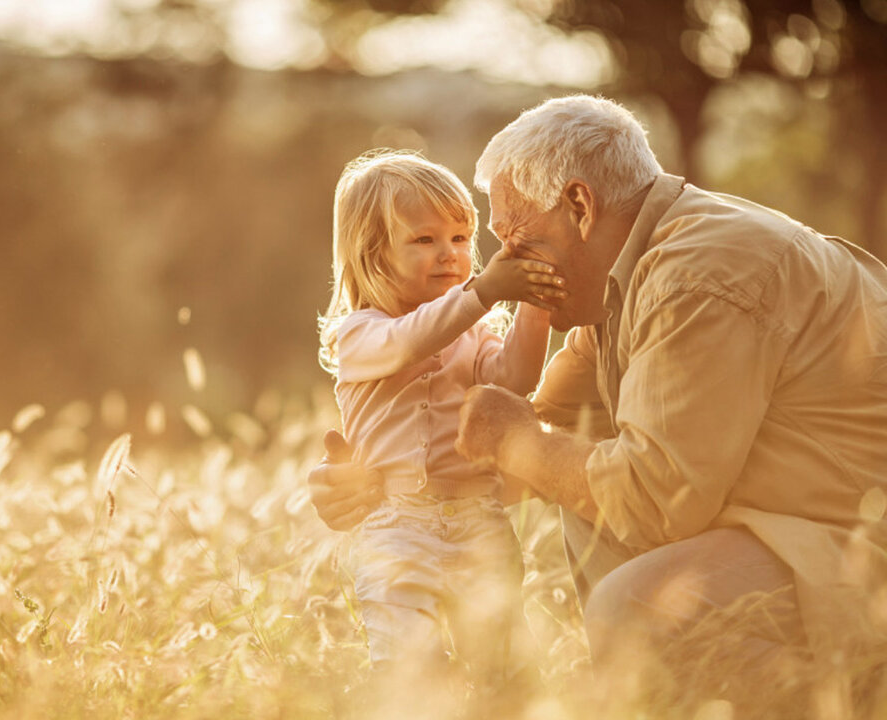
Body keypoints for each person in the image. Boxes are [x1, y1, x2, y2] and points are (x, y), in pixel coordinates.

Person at [311, 97, 887, 709]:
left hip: (857, 545)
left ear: (579, 207)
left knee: (635, 605)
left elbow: (646, 496)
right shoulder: (626, 280)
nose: (507, 262)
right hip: (800, 530)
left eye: (514, 238)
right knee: (583, 493)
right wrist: (386, 480)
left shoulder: (696, 278)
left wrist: (513, 440)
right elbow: (536, 432)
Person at [318, 149, 566, 710]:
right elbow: (408, 342)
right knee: (410, 669)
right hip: (397, 526)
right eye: (424, 240)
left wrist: (533, 305)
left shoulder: (474, 333)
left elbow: (514, 379)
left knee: (506, 669)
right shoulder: (358, 333)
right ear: (373, 254)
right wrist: (482, 293)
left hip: (480, 519)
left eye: (459, 237)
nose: (450, 255)